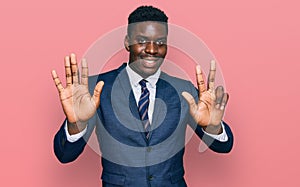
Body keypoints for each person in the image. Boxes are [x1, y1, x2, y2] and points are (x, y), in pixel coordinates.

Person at [52, 5, 233, 187]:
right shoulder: (97, 89)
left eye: (160, 42)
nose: (152, 50)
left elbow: (223, 146)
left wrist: (213, 127)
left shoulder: (183, 90)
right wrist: (77, 124)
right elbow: (65, 154)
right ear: (127, 42)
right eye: (142, 41)